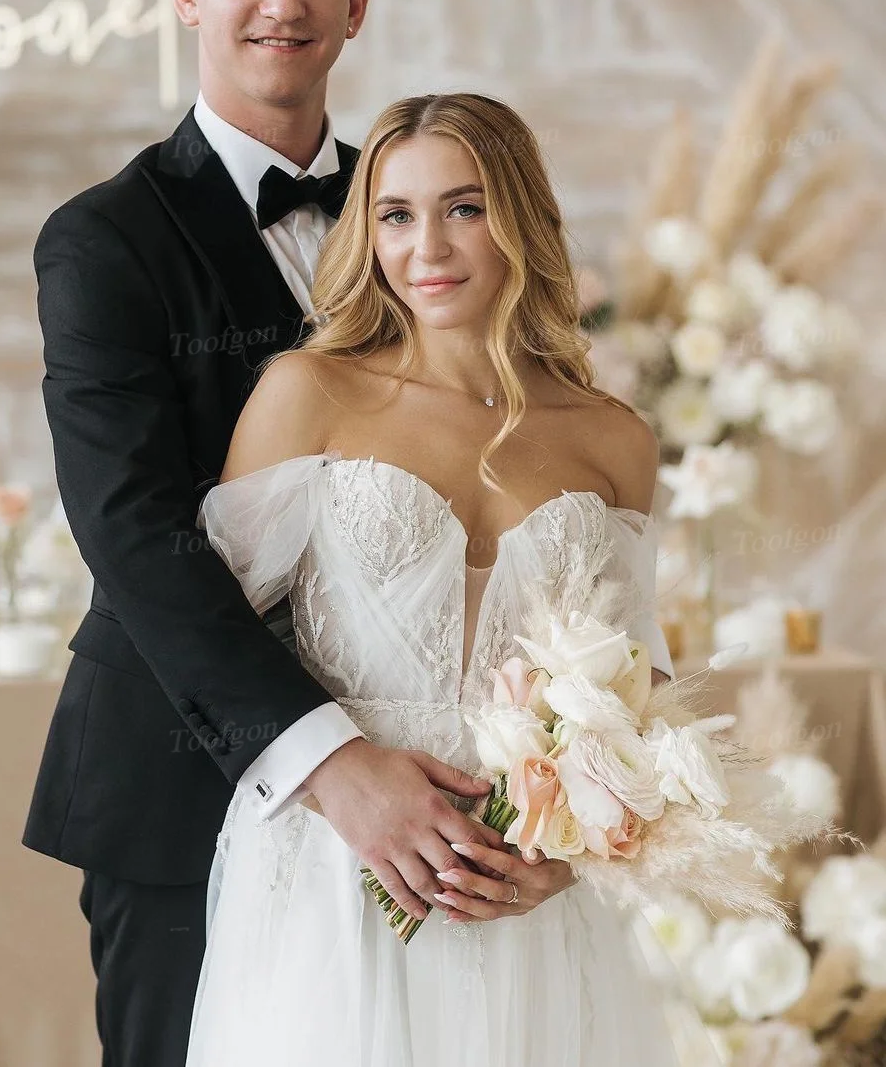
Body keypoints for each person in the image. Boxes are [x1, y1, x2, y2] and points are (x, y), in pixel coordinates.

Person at [22, 0, 546, 1067]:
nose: (283, 1)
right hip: (181, 788)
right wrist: (333, 763)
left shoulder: (430, 205)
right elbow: (137, 534)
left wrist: (547, 773)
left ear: (356, 3)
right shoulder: (102, 242)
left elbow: (503, 450)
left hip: (435, 791)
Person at [183, 92, 679, 1066]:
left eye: (465, 206)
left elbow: (639, 685)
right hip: (339, 861)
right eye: (396, 214)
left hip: (522, 880)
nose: (429, 247)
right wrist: (329, 778)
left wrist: (575, 850)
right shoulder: (309, 394)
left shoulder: (614, 435)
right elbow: (208, 634)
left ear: (522, 217)